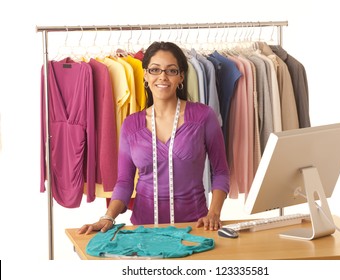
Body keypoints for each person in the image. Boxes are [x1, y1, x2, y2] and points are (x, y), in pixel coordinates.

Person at [78, 41, 230, 235]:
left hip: (195, 227)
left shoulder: (203, 117)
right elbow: (124, 182)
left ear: (181, 76)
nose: (163, 77)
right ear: (145, 75)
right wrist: (108, 217)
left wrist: (214, 213)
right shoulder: (131, 125)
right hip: (144, 229)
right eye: (155, 70)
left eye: (171, 70)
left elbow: (221, 172)